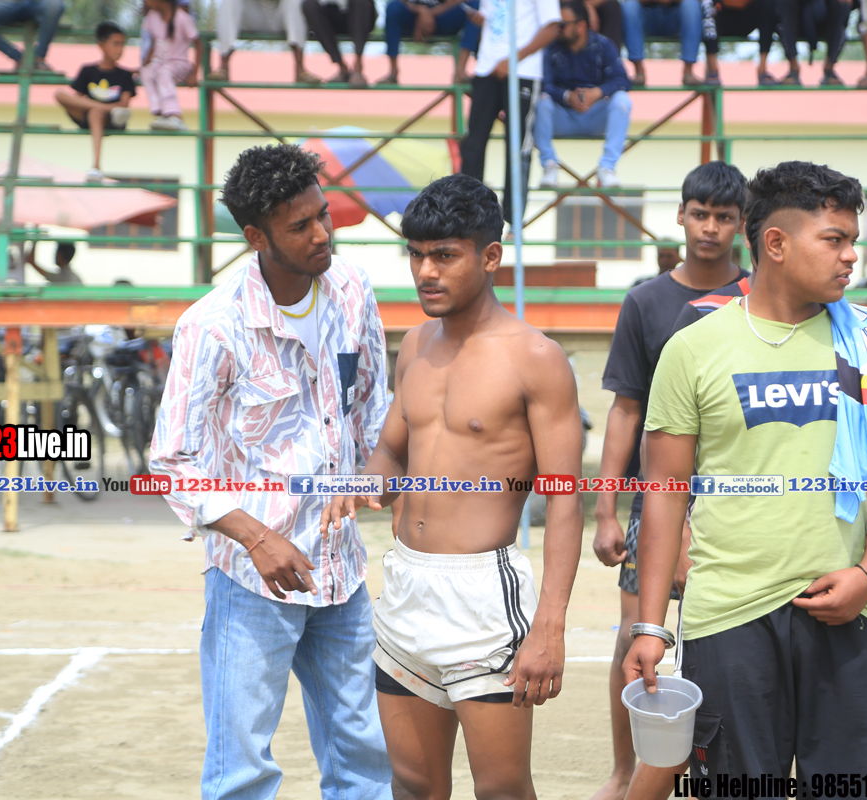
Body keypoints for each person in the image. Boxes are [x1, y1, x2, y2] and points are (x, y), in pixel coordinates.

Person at [625, 161, 867, 785]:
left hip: (844, 613)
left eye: (853, 241)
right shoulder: (695, 348)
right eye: (834, 240)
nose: (851, 256)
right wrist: (650, 627)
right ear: (777, 244)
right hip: (728, 620)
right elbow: (664, 495)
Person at [320, 173, 584, 800]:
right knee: (412, 783)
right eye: (416, 255)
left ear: (490, 256)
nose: (425, 272)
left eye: (444, 255)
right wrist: (366, 484)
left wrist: (550, 625)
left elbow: (564, 499)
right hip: (406, 585)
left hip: (483, 596)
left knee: (501, 789)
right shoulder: (415, 344)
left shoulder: (536, 358)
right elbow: (392, 449)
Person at [148, 143, 392, 800]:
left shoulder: (352, 290)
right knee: (243, 770)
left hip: (342, 571)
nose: (322, 234)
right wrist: (257, 538)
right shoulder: (213, 326)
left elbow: (373, 402)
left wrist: (375, 475)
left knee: (365, 756)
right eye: (300, 225)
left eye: (324, 215)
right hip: (252, 584)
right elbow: (171, 462)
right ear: (256, 237)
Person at [590, 160, 749, 800]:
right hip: (656, 500)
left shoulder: (760, 297)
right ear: (680, 215)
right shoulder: (646, 302)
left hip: (737, 502)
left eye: (724, 216)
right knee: (637, 635)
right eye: (700, 213)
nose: (710, 227)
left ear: (743, 224)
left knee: (728, 639)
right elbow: (626, 409)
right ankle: (625, 771)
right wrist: (606, 509)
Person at [459, 0, 560, 223]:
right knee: (473, 144)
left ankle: (512, 221)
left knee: (517, 146)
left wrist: (514, 59)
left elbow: (552, 27)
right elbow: (494, 17)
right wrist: (480, 19)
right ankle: (467, 215)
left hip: (523, 70)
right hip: (486, 66)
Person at [534, 0, 632, 190]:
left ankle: (607, 168)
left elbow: (622, 79)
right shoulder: (550, 46)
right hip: (561, 116)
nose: (558, 29)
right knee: (540, 101)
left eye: (562, 25)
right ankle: (549, 165)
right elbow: (543, 84)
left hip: (594, 115)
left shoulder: (603, 44)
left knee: (622, 100)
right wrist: (566, 96)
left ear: (581, 26)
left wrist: (597, 92)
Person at [55, 22, 135, 181]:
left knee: (96, 112)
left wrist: (100, 109)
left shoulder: (125, 75)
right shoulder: (88, 70)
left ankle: (96, 166)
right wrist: (105, 107)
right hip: (92, 114)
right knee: (60, 94)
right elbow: (76, 99)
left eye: (122, 44)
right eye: (116, 44)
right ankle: (102, 108)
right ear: (102, 45)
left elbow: (124, 105)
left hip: (112, 119)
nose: (120, 49)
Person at [213, 0, 317, 83]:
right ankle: (223, 67)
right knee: (229, 1)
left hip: (280, 16)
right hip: (253, 15)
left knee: (295, 1)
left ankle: (300, 69)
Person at [381, 0, 481, 85]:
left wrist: (430, 13)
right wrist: (420, 10)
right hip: (413, 18)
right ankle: (393, 72)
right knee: (393, 7)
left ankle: (460, 72)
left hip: (444, 16)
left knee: (475, 7)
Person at [141, 0, 200, 132]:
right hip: (160, 63)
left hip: (179, 64)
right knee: (146, 72)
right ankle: (159, 112)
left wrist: (195, 72)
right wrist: (144, 66)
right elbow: (153, 43)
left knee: (163, 73)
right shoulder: (152, 17)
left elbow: (198, 44)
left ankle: (175, 115)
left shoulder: (182, 17)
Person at [0, 0, 64, 72]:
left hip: (39, 4)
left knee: (54, 5)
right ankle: (19, 58)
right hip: (8, 4)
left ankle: (38, 58)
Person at [621, 0, 703, 86]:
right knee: (630, 6)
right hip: (646, 18)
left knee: (691, 5)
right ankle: (639, 71)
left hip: (675, 17)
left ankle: (688, 71)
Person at [698, 0, 777, 85]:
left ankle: (762, 69)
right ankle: (712, 69)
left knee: (768, 3)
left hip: (745, 20)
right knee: (707, 3)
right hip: (720, 18)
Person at [301, 0, 378, 87]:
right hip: (331, 15)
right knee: (310, 5)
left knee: (361, 2)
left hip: (358, 15)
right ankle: (342, 66)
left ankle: (358, 66)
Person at [777, 0, 853, 85]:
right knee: (785, 3)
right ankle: (793, 68)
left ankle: (829, 68)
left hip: (824, 17)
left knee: (841, 4)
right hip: (797, 18)